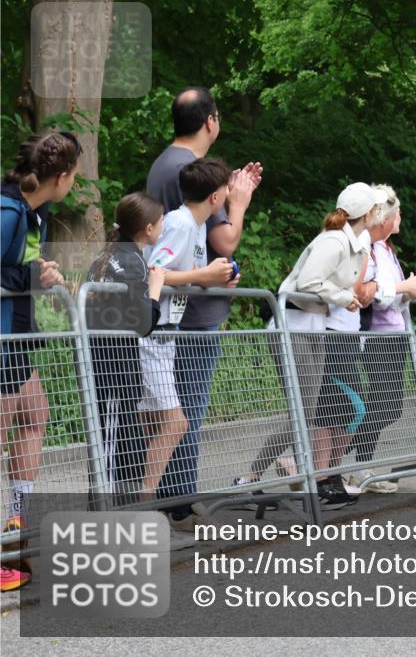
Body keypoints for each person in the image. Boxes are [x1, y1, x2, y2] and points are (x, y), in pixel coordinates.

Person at [146, 86, 261, 526]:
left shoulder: (163, 164)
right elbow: (224, 241)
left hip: (174, 312)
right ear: (211, 120)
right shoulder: (190, 169)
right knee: (186, 410)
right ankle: (179, 505)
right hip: (191, 314)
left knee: (166, 412)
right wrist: (239, 201)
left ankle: (166, 501)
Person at [1, 131, 79, 593]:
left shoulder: (34, 211)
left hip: (20, 337)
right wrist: (33, 273)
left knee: (35, 416)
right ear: (63, 176)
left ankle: (17, 521)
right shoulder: (9, 210)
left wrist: (41, 272)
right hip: (3, 337)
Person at [276, 182, 386, 507]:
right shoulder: (335, 240)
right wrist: (345, 296)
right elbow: (309, 281)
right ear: (368, 214)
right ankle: (273, 477)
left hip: (313, 327)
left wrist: (348, 295)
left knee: (315, 409)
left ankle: (316, 478)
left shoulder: (350, 242)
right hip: (296, 326)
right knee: (308, 409)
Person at [87, 193, 175, 500]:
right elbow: (143, 322)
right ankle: (105, 518)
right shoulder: (132, 261)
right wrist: (155, 288)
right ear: (149, 229)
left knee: (122, 444)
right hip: (112, 366)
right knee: (110, 447)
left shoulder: (115, 253)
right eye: (162, 220)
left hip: (109, 361)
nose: (165, 224)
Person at [349, 184, 416, 491]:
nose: (400, 216)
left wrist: (415, 293)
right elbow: (377, 296)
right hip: (376, 337)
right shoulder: (369, 247)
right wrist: (407, 288)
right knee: (382, 404)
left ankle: (353, 461)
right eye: (397, 211)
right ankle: (355, 464)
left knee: (387, 404)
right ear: (385, 216)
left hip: (393, 335)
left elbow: (394, 295)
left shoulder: (387, 249)